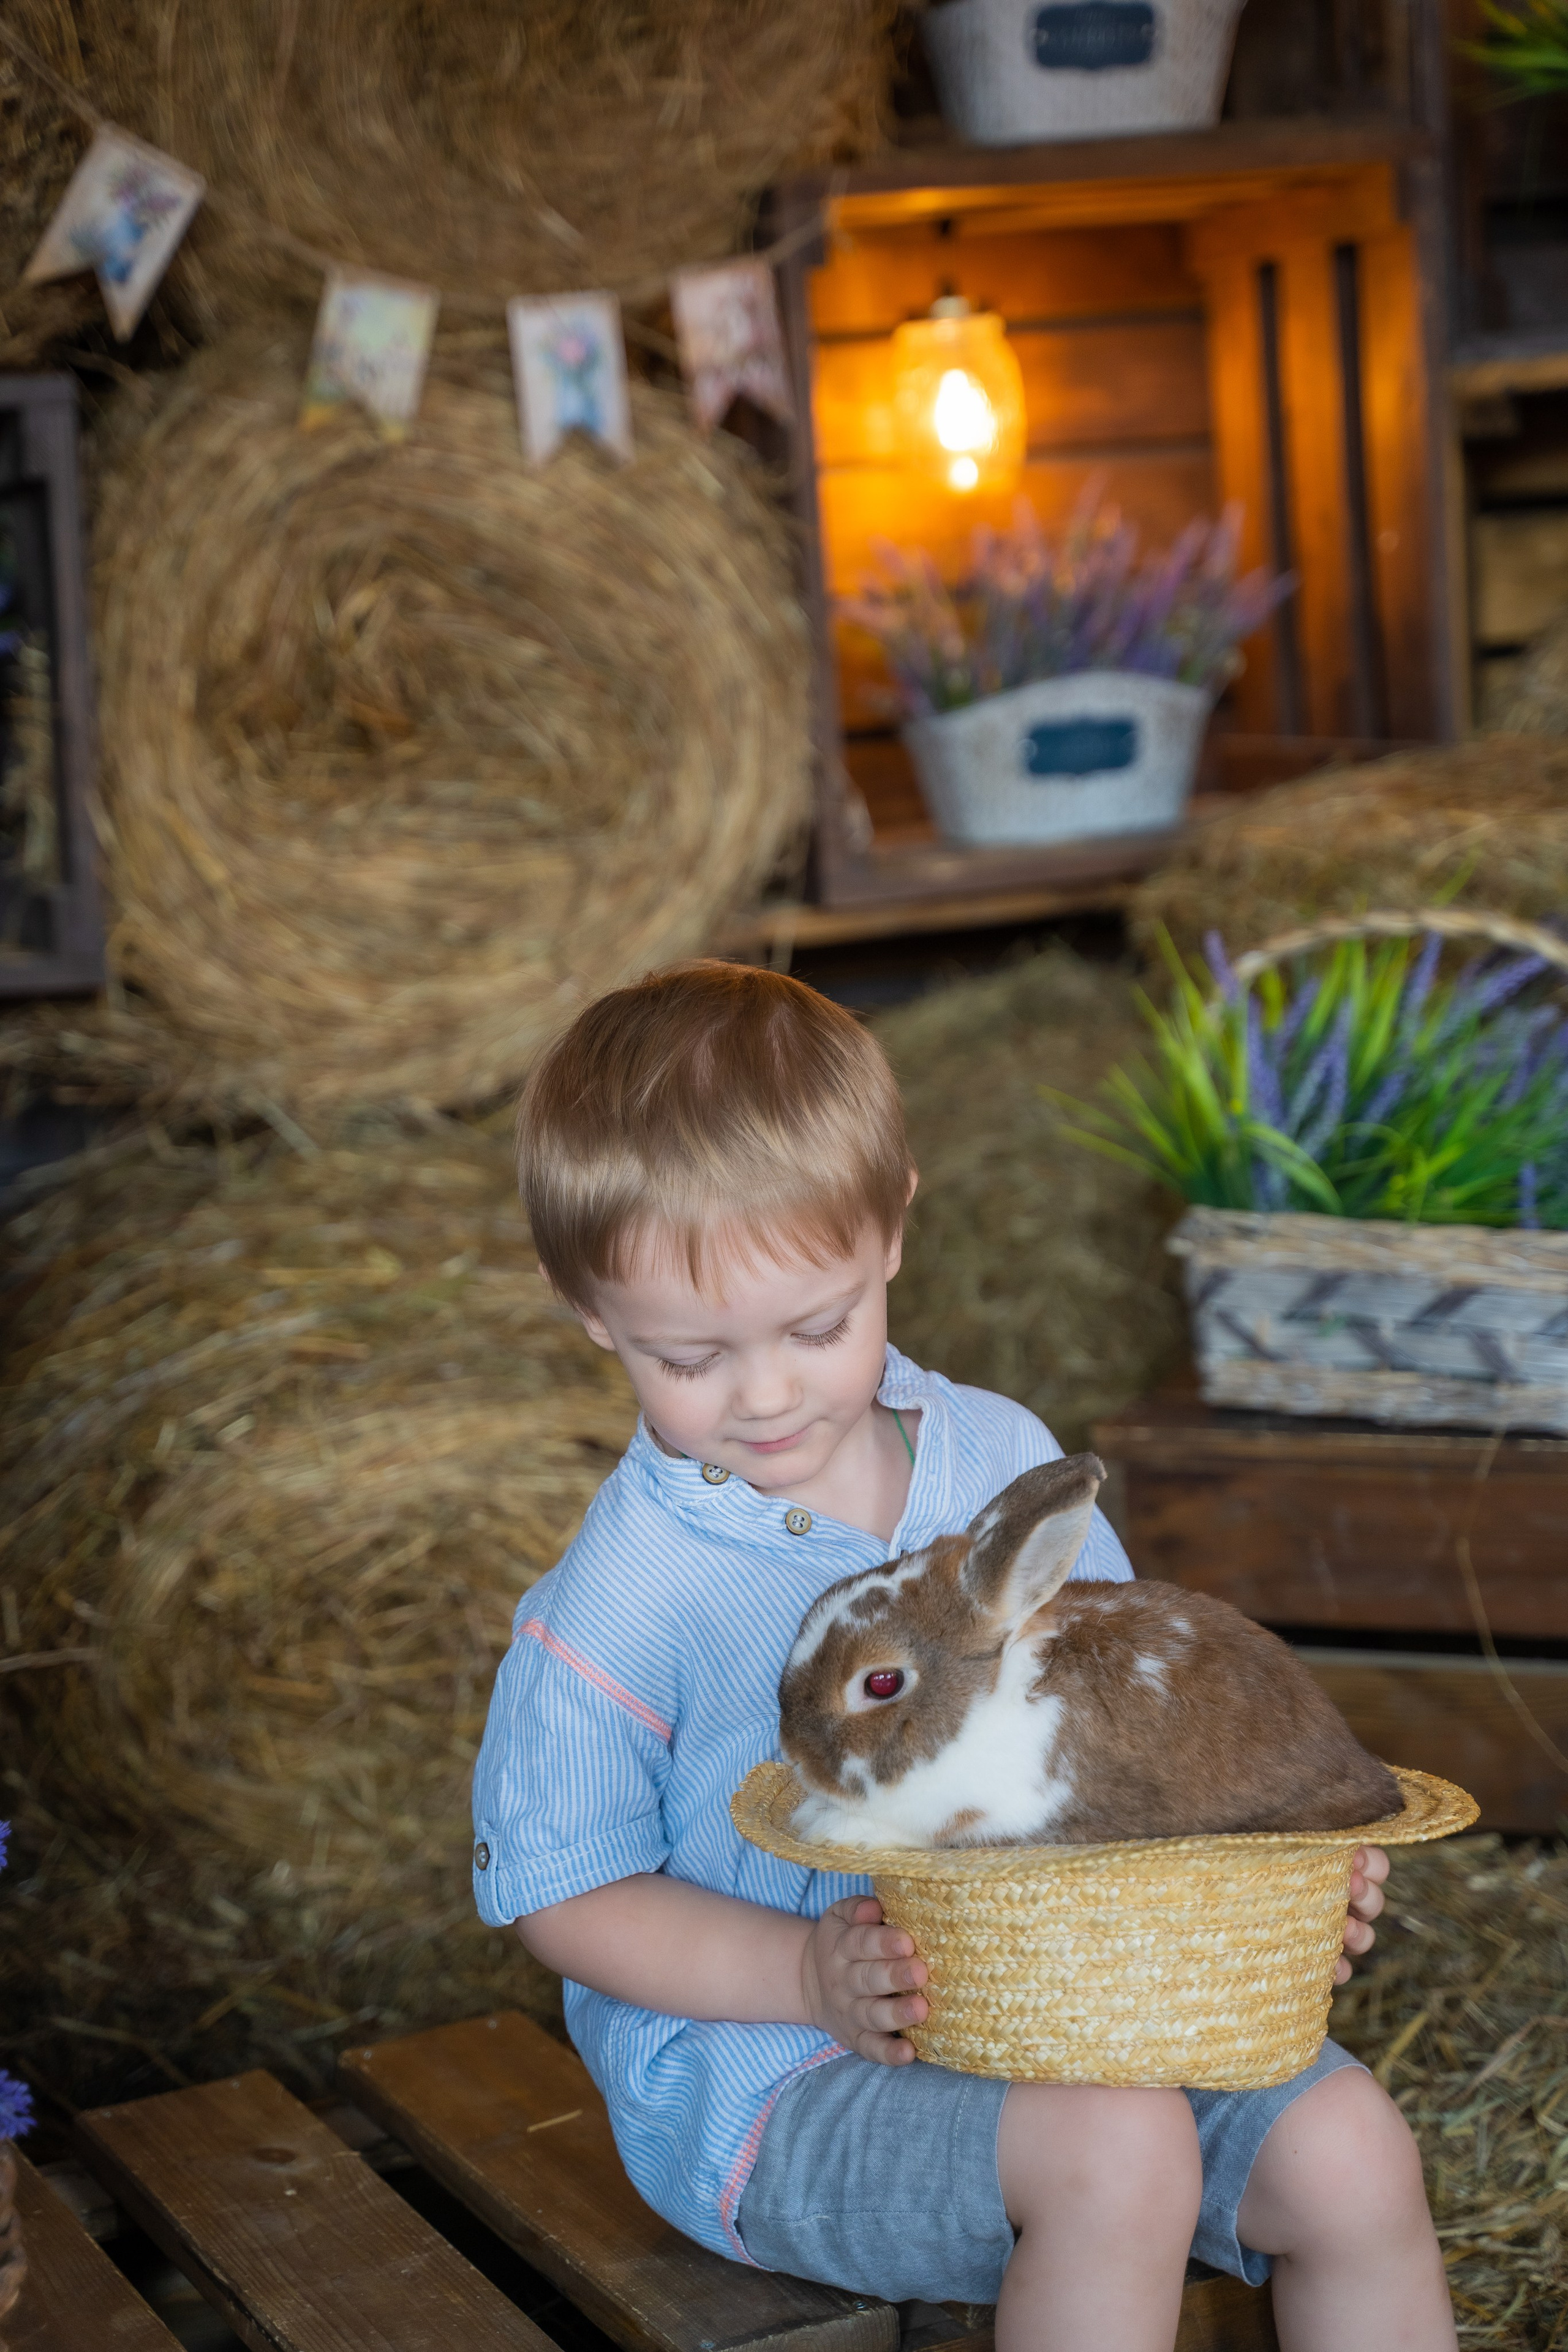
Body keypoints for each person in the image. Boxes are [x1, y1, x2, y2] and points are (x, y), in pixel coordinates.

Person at [471, 961, 1455, 2352]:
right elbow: (564, 1891)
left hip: (1088, 2002)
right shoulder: (620, 1596)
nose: (766, 1393)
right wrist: (802, 1977)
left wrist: (1277, 1876)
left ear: (891, 1230)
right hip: (786, 2079)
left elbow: (1137, 1732)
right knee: (1119, 2154)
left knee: (1350, 2151)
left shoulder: (998, 1458)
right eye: (688, 1358)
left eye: (817, 1328)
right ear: (588, 1310)